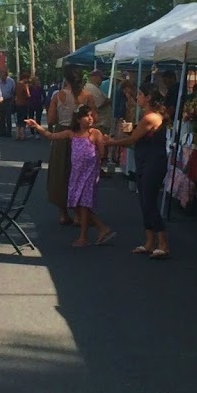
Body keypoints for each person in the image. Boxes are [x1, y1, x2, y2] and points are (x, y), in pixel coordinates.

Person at [27, 105, 115, 247]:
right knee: (75, 203)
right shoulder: (71, 134)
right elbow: (51, 136)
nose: (90, 119)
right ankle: (102, 228)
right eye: (87, 116)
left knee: (84, 204)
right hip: (76, 174)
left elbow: (101, 153)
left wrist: (97, 166)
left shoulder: (95, 133)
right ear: (79, 119)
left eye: (92, 116)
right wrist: (37, 126)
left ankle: (83, 237)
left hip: (89, 174)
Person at [104, 83, 170, 259]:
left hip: (153, 163)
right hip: (144, 161)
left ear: (148, 98)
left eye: (140, 94)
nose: (137, 96)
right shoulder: (145, 116)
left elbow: (132, 139)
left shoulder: (151, 117)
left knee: (149, 201)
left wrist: (109, 142)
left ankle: (163, 243)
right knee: (143, 201)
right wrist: (128, 129)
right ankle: (149, 242)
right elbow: (137, 133)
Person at [47, 67, 96, 224]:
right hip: (81, 136)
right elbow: (95, 117)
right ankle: (78, 214)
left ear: (65, 79)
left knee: (61, 173)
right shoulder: (87, 96)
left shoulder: (58, 96)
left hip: (62, 136)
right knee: (80, 174)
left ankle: (63, 212)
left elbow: (51, 119)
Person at [0, 69, 16, 137]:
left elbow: (14, 91)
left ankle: (9, 132)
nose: (2, 77)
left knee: (8, 117)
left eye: (3, 76)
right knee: (1, 117)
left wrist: (13, 101)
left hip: (8, 100)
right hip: (0, 101)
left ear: (6, 75)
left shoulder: (11, 81)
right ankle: (2, 131)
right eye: (0, 75)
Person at [14, 72, 31, 141]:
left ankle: (17, 134)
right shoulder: (24, 85)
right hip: (24, 104)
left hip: (17, 104)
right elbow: (28, 95)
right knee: (23, 119)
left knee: (18, 119)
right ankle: (22, 135)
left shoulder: (17, 85)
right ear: (25, 78)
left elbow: (15, 93)